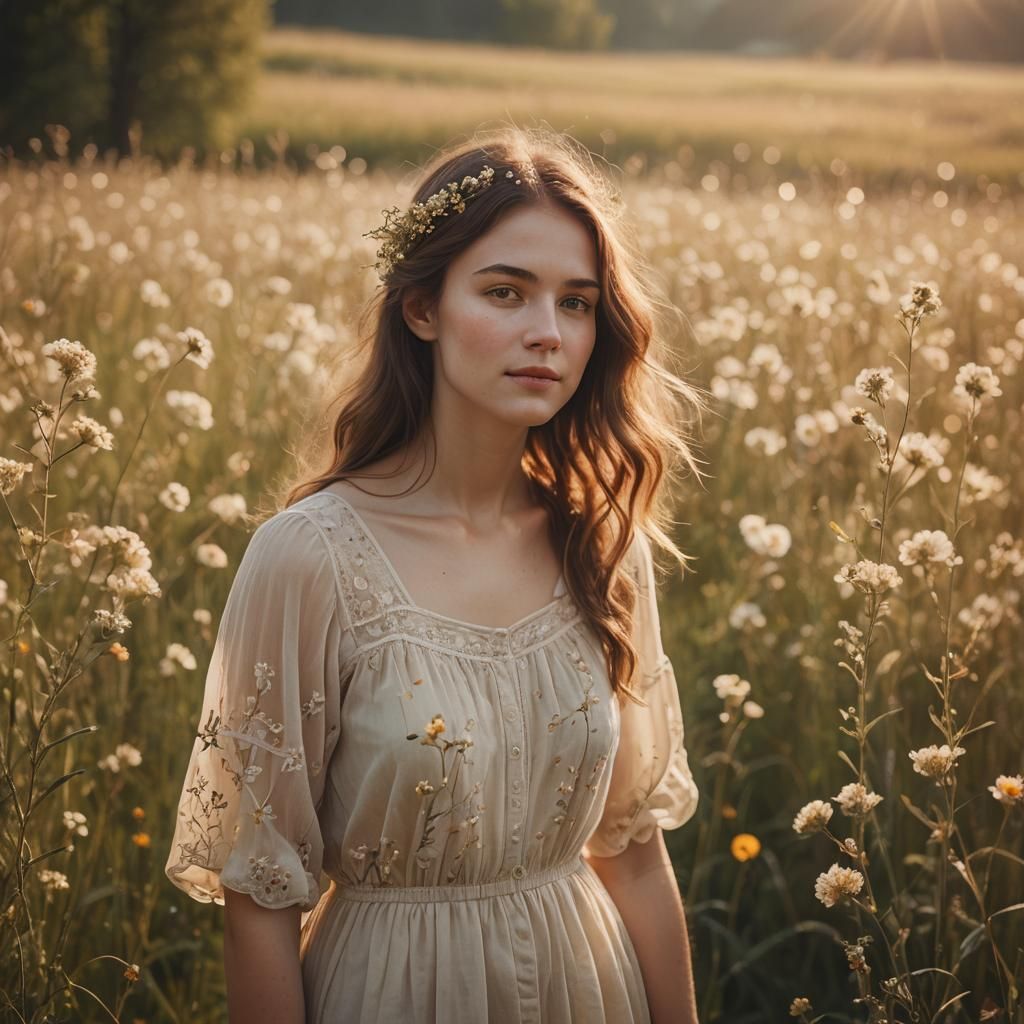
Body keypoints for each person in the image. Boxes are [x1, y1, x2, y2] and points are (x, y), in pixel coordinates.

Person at [165, 125, 706, 1024]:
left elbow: (634, 852)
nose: (547, 333)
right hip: (392, 992)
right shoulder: (308, 557)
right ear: (422, 309)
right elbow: (259, 897)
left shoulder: (603, 543)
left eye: (576, 303)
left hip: (588, 989)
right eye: (505, 292)